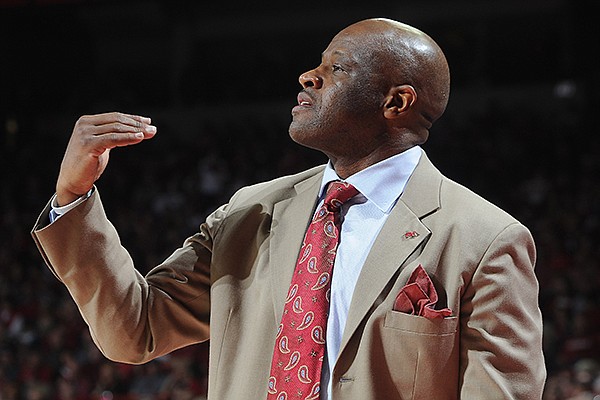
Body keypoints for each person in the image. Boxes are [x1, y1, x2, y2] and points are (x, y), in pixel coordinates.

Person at [31, 18, 546, 399]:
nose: (307, 76)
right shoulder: (248, 213)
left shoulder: (485, 238)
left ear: (397, 102)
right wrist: (74, 196)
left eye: (335, 68)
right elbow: (135, 330)